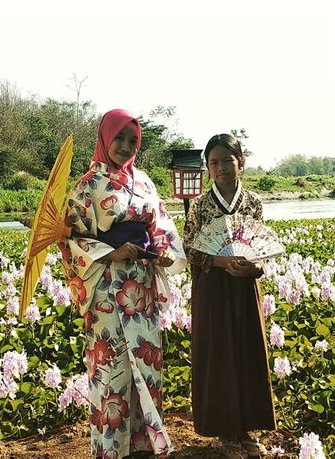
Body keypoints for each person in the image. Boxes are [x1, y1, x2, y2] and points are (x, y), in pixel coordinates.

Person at [58, 109, 186, 458]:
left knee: (146, 365)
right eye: (120, 138)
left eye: (133, 141)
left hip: (141, 287)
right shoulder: (87, 185)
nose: (126, 147)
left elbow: (160, 224)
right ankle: (112, 450)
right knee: (111, 371)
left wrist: (161, 251)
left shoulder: (143, 181)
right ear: (105, 138)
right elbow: (69, 239)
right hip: (107, 288)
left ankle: (143, 445)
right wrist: (110, 253)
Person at [183, 134, 275, 458]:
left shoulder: (253, 203)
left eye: (227, 161)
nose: (220, 168)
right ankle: (226, 434)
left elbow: (260, 249)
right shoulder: (200, 205)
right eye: (213, 163)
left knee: (246, 354)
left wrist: (251, 268)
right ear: (208, 168)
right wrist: (220, 261)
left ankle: (246, 428)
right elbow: (190, 248)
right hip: (213, 288)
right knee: (219, 357)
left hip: (244, 286)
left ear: (241, 162)